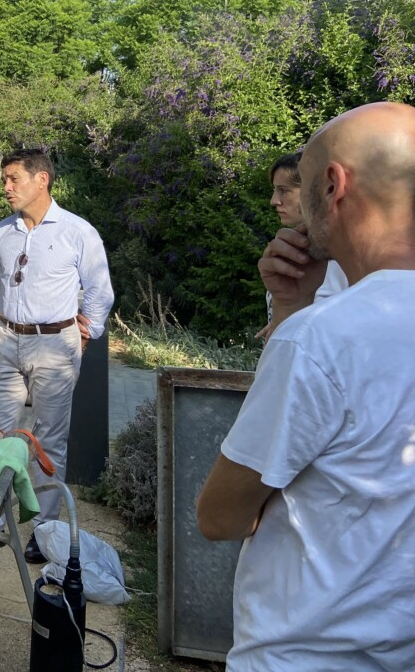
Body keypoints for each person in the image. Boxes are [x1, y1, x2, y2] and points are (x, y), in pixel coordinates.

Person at [197, 102, 415, 670]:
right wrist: (293, 304)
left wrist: (301, 320)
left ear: (333, 184)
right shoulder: (321, 325)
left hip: (303, 652)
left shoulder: (322, 339)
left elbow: (220, 517)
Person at [0, 148, 113, 564]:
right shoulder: (2, 232)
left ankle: (45, 531)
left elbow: (98, 291)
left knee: (48, 440)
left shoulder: (78, 232)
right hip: (6, 340)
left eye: (13, 178)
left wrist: (86, 333)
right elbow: (6, 282)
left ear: (42, 180)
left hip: (55, 345)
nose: (6, 187)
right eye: (4, 178)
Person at [258, 151, 348, 336]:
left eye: (284, 190)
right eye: (274, 190)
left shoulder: (342, 256)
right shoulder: (295, 248)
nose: (274, 201)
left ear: (312, 191)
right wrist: (281, 322)